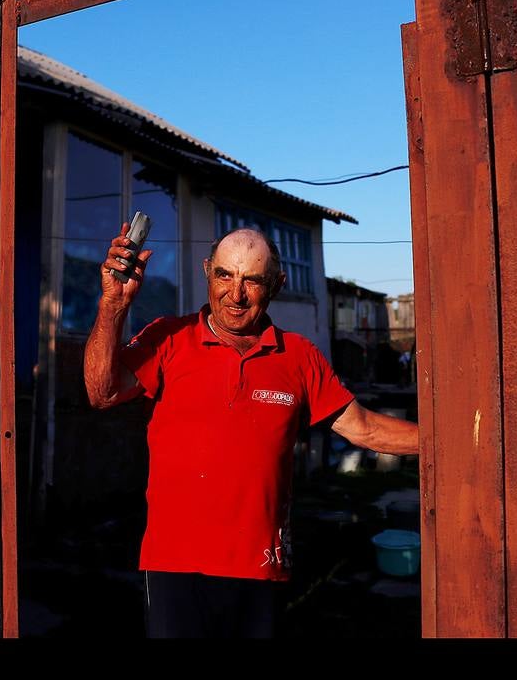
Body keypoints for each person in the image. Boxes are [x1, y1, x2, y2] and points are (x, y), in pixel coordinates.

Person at [84, 223, 419, 638]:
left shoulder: (298, 356)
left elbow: (364, 428)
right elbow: (102, 392)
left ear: (276, 284)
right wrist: (113, 304)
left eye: (252, 280)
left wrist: (452, 443)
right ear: (208, 271)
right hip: (176, 563)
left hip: (260, 564)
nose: (235, 294)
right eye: (224, 275)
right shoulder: (169, 338)